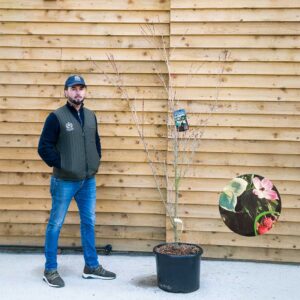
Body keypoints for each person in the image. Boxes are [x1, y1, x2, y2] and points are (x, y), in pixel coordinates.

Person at [38, 75, 116, 288]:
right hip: (64, 181)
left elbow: (96, 142)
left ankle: (91, 266)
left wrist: (95, 160)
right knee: (55, 224)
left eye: (81, 88)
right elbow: (43, 147)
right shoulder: (56, 117)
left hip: (88, 181)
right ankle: (50, 270)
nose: (77, 92)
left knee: (89, 222)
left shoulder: (91, 116)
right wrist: (63, 163)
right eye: (73, 88)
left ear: (85, 92)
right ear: (66, 92)